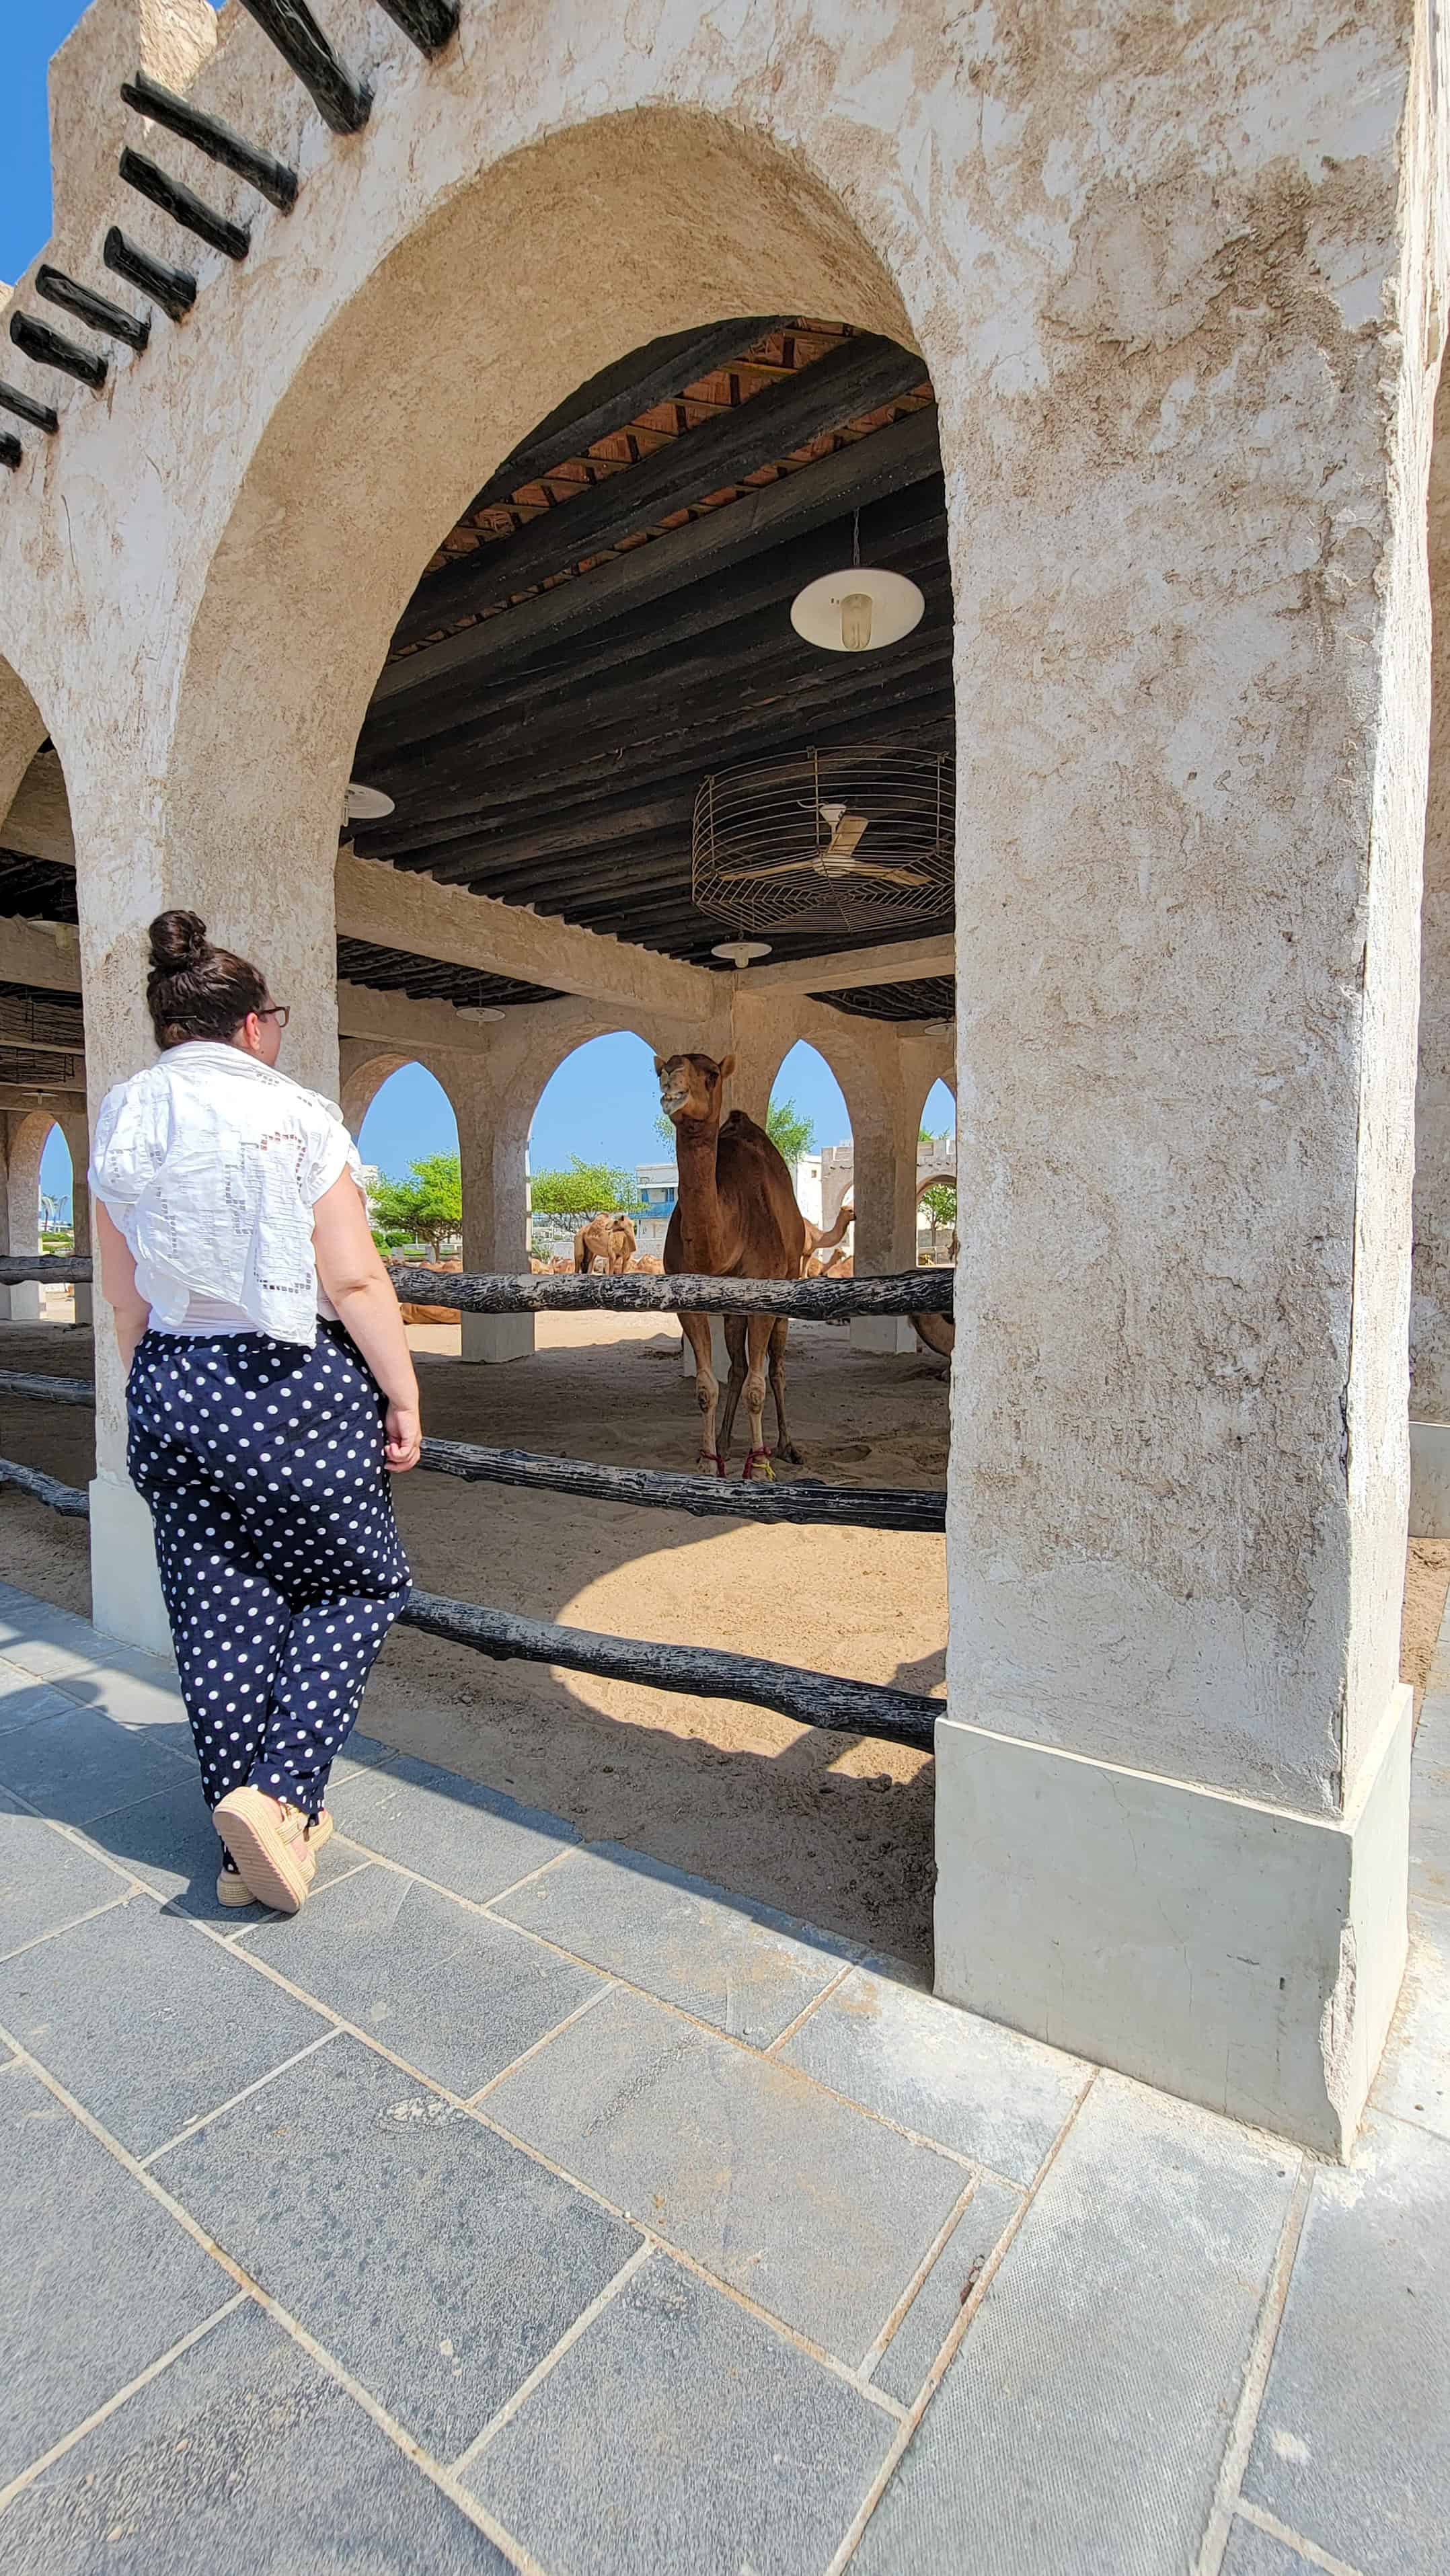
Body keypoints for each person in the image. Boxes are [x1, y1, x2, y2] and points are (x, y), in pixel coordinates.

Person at [90, 910, 420, 1916]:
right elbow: (355, 1281)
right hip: (294, 1384)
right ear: (250, 1026)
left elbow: (122, 1295)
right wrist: (402, 1391)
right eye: (272, 1015)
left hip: (173, 1381)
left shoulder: (124, 1115)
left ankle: (243, 1854)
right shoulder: (297, 1115)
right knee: (360, 1583)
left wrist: (156, 1388)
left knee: (218, 1609)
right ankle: (279, 1800)